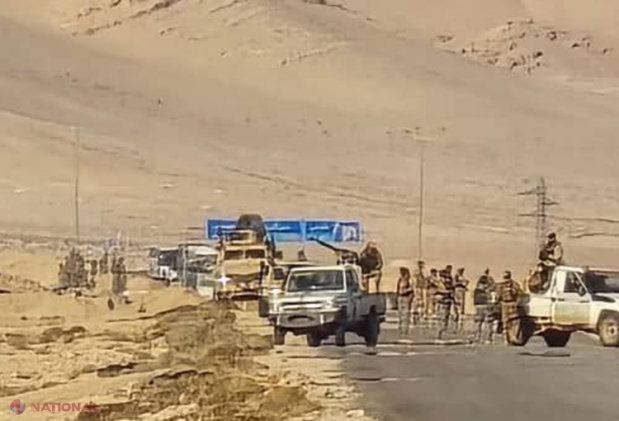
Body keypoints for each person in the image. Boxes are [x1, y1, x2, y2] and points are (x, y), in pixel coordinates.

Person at [497, 270, 524, 343]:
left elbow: (520, 294)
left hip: (509, 304)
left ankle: (511, 338)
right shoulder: (506, 285)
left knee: (512, 322)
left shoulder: (510, 285)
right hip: (508, 304)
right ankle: (509, 338)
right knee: (509, 322)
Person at [473, 268, 497, 343]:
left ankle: (478, 337)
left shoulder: (477, 289)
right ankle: (488, 338)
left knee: (479, 322)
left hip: (479, 305)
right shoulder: (489, 288)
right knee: (488, 322)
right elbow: (494, 287)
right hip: (485, 305)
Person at [435, 266, 456, 339]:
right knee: (442, 318)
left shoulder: (447, 281)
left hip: (446, 301)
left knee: (444, 317)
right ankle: (440, 333)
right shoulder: (441, 282)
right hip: (443, 301)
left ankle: (441, 332)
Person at [396, 267, 414, 335]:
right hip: (402, 298)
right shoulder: (401, 280)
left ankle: (404, 330)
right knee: (402, 315)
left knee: (405, 315)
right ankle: (402, 329)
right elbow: (400, 291)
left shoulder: (407, 280)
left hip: (405, 298)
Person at [412, 260, 427, 326]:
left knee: (423, 302)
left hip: (422, 288)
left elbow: (424, 280)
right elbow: (414, 280)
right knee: (416, 301)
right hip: (417, 288)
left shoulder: (424, 272)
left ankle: (421, 315)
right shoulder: (416, 271)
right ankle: (415, 315)